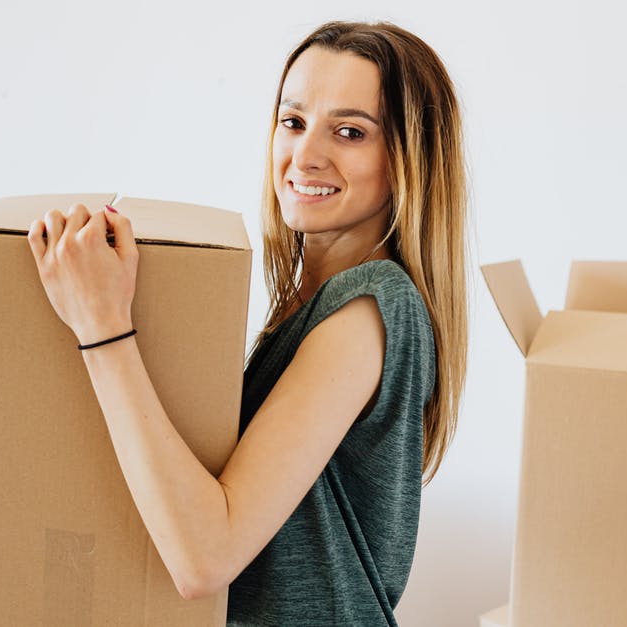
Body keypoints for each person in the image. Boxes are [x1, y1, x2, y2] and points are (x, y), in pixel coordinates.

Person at [26, 19, 467, 626]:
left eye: (349, 131)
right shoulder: (312, 306)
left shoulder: (369, 308)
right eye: (293, 122)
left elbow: (206, 556)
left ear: (408, 161)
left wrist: (100, 325)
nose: (306, 155)